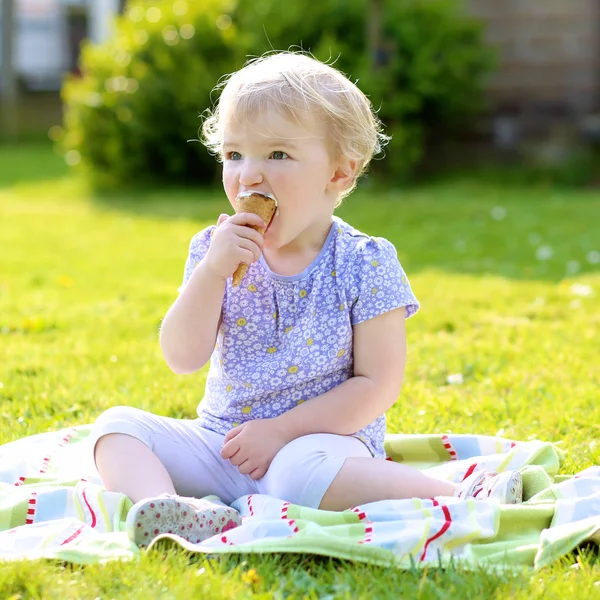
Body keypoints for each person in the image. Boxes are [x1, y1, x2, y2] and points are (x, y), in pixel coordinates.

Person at [91, 52, 522, 549]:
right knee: (116, 428)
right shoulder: (216, 251)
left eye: (276, 155)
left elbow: (377, 385)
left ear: (339, 174)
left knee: (295, 475)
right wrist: (211, 274)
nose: (249, 176)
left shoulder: (364, 262)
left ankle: (458, 493)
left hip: (323, 450)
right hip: (224, 444)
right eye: (234, 155)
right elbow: (181, 357)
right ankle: (174, 511)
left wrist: (280, 432)